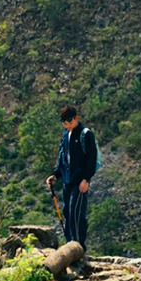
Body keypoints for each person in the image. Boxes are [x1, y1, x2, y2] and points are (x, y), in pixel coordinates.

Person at [47, 103, 99, 252]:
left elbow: (91, 158)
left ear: (76, 118)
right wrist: (56, 175)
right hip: (67, 181)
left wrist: (86, 179)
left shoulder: (85, 134)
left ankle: (78, 248)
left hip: (80, 182)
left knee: (77, 214)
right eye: (65, 123)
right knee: (67, 213)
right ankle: (70, 245)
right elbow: (62, 158)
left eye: (70, 122)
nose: (68, 125)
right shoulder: (65, 134)